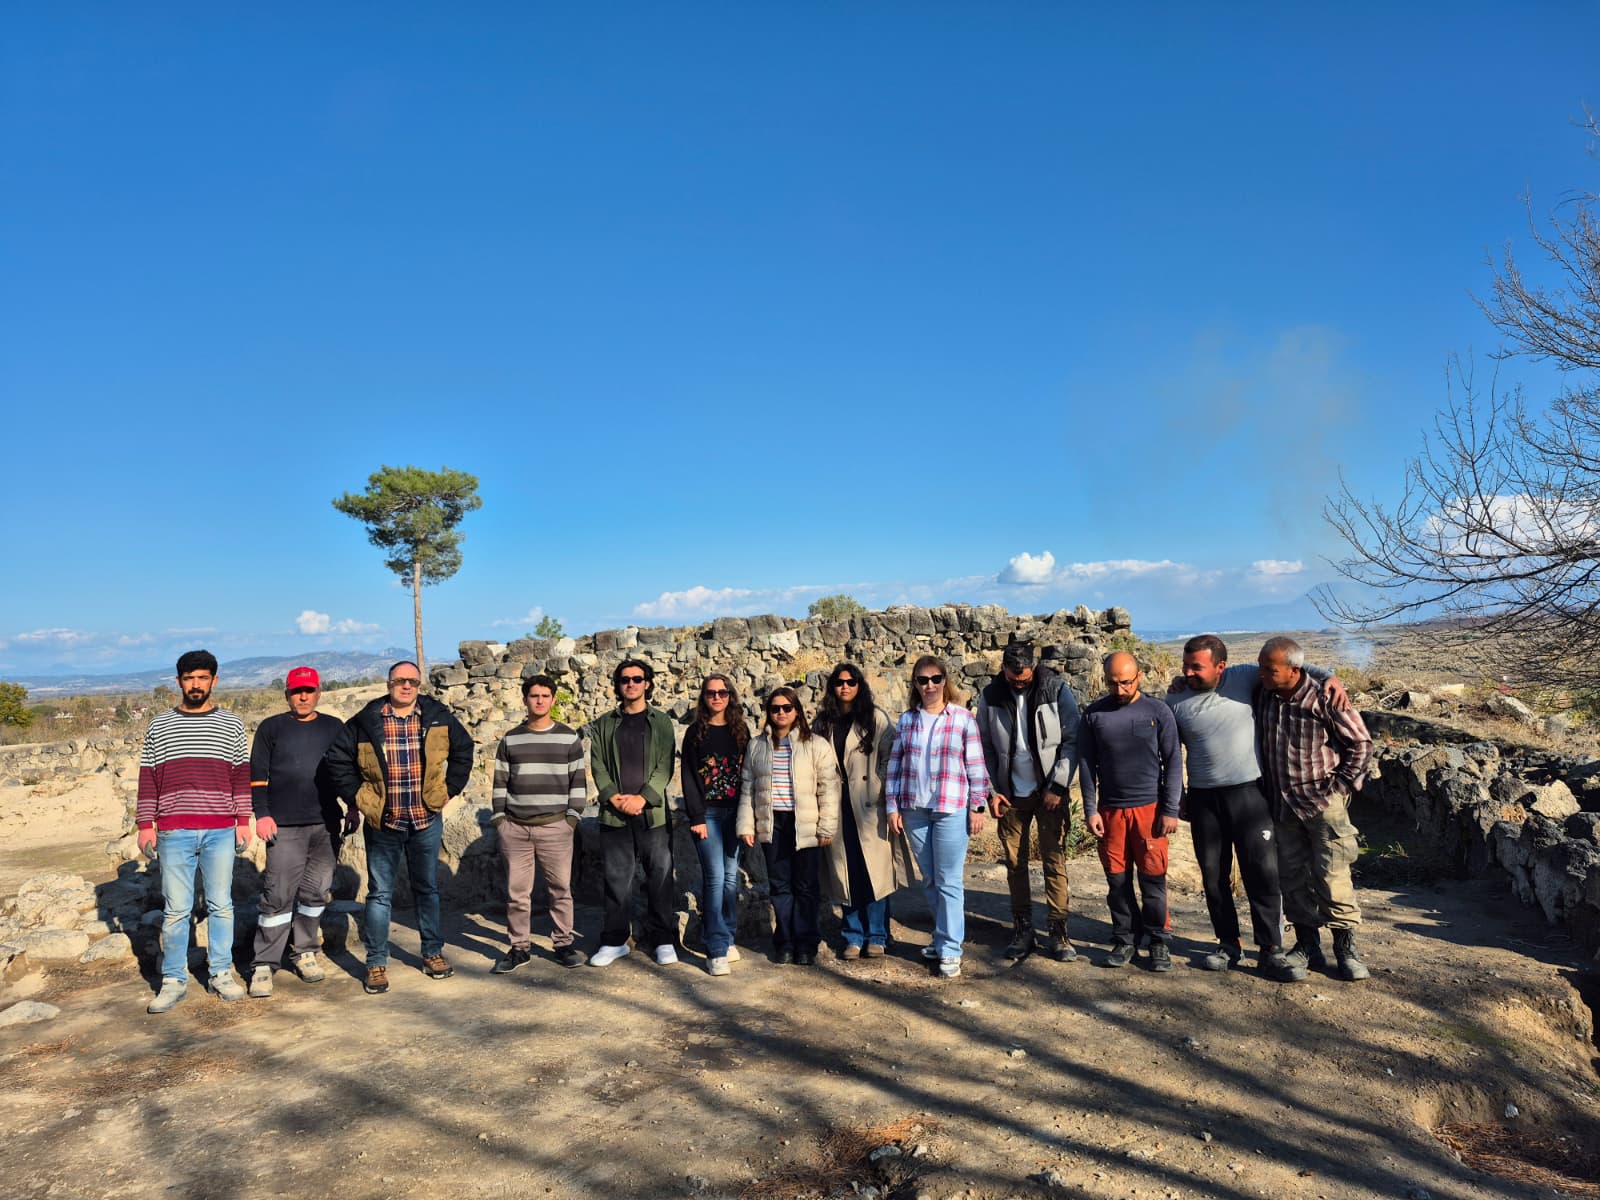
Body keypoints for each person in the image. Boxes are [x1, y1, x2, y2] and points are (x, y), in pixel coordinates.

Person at [1167, 634, 1348, 982]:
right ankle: (1228, 945)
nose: (1187, 672)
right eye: (1185, 665)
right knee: (1213, 877)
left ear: (1221, 666)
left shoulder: (1244, 676)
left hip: (1249, 794)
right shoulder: (1175, 698)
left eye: (1196, 667)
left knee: (1262, 875)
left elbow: (1291, 665)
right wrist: (1179, 796)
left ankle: (1270, 950)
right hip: (1204, 800)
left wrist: (1329, 676)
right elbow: (1172, 754)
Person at [325, 660, 474, 995]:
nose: (407, 686)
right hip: (384, 821)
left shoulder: (436, 716)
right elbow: (337, 760)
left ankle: (432, 953)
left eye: (413, 682)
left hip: (425, 819)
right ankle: (376, 963)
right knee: (380, 894)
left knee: (428, 889)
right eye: (400, 681)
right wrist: (359, 798)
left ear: (419, 685)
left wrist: (449, 789)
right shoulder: (365, 721)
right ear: (389, 684)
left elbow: (464, 750)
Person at [1255, 636, 1376, 982]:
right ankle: (1308, 946)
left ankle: (1346, 950)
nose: (1262, 674)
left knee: (1333, 875)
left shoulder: (1325, 697)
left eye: (1270, 669)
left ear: (1294, 671)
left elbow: (1361, 744)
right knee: (1291, 879)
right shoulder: (1264, 693)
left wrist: (1340, 787)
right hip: (1282, 806)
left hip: (1323, 805)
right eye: (1262, 667)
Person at [138, 650, 252, 1013]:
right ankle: (173, 980)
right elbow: (148, 779)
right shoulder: (159, 726)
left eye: (203, 677)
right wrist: (145, 825)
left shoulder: (232, 724)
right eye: (189, 678)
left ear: (214, 681)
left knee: (221, 905)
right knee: (176, 910)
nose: (196, 684)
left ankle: (221, 972)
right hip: (174, 830)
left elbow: (241, 777)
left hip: (220, 829)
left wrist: (244, 820)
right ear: (179, 682)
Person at [975, 641, 1082, 962]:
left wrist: (1058, 786)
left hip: (1050, 792)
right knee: (1014, 864)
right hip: (1010, 795)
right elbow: (982, 746)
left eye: (1023, 678)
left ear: (1033, 667)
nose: (1018, 683)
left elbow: (1072, 741)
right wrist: (992, 792)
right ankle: (1023, 929)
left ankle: (1059, 931)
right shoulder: (991, 696)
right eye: (1013, 678)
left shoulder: (1055, 690)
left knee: (1054, 860)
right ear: (1004, 669)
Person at [884, 656, 989, 979]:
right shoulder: (907, 720)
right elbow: (895, 766)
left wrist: (977, 806)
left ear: (945, 681)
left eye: (935, 678)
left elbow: (975, 765)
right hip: (914, 809)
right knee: (930, 879)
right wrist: (892, 806)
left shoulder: (962, 719)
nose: (929, 685)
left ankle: (951, 949)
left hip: (951, 808)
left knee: (949, 880)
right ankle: (942, 937)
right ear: (915, 684)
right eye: (922, 680)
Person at [246, 667, 348, 998]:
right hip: (284, 825)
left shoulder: (334, 727)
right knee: (277, 894)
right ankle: (264, 963)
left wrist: (353, 806)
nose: (303, 697)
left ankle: (305, 951)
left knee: (316, 892)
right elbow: (257, 775)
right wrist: (262, 814)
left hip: (326, 824)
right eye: (296, 691)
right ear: (287, 694)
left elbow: (346, 771)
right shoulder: (271, 727)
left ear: (318, 693)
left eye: (309, 691)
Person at [1077, 651, 1182, 971]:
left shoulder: (1158, 711)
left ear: (1139, 677)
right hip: (1110, 812)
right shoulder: (1094, 715)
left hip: (1149, 811)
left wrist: (1170, 809)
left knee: (1153, 879)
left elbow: (1173, 761)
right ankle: (1125, 938)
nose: (1119, 689)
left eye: (1125, 682)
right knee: (1117, 880)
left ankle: (1158, 939)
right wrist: (1091, 809)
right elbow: (1086, 764)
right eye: (1112, 683)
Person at [489, 673, 588, 974]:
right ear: (525, 700)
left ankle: (563, 944)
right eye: (534, 696)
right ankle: (519, 948)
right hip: (515, 828)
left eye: (545, 696)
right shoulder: (511, 739)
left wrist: (571, 819)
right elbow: (500, 781)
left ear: (553, 700)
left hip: (555, 827)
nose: (540, 701)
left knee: (560, 889)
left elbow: (578, 782)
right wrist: (500, 820)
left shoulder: (568, 737)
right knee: (517, 893)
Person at [812, 663, 910, 960]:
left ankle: (877, 935)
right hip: (836, 805)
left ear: (859, 685)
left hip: (869, 805)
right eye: (839, 682)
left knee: (875, 874)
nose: (845, 687)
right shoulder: (823, 722)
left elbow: (891, 756)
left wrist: (881, 789)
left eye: (851, 681)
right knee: (846, 872)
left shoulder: (875, 718)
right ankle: (852, 935)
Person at [587, 658, 679, 968]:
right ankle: (614, 941)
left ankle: (663, 939)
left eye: (637, 679)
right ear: (617, 685)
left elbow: (665, 765)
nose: (631, 684)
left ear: (647, 683)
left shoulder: (661, 722)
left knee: (660, 876)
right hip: (615, 814)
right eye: (625, 679)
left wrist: (642, 798)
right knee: (616, 879)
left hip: (652, 814)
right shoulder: (604, 724)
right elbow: (598, 764)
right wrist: (614, 797)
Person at [738, 686, 840, 965]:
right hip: (773, 823)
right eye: (775, 708)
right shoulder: (757, 746)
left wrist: (827, 826)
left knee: (806, 887)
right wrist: (746, 826)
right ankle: (784, 942)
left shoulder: (816, 744)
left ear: (797, 711)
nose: (781, 713)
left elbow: (828, 788)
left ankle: (806, 943)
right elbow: (748, 788)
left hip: (805, 822)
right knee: (780, 886)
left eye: (787, 708)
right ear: (768, 713)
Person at [681, 673, 752, 976]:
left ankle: (727, 935)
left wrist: (748, 816)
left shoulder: (741, 731)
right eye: (711, 693)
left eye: (723, 692)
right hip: (708, 814)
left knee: (731, 878)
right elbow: (688, 776)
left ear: (730, 696)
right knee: (715, 878)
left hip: (735, 813)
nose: (717, 697)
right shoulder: (695, 732)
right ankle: (716, 948)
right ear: (704, 697)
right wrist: (696, 817)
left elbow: (749, 774)